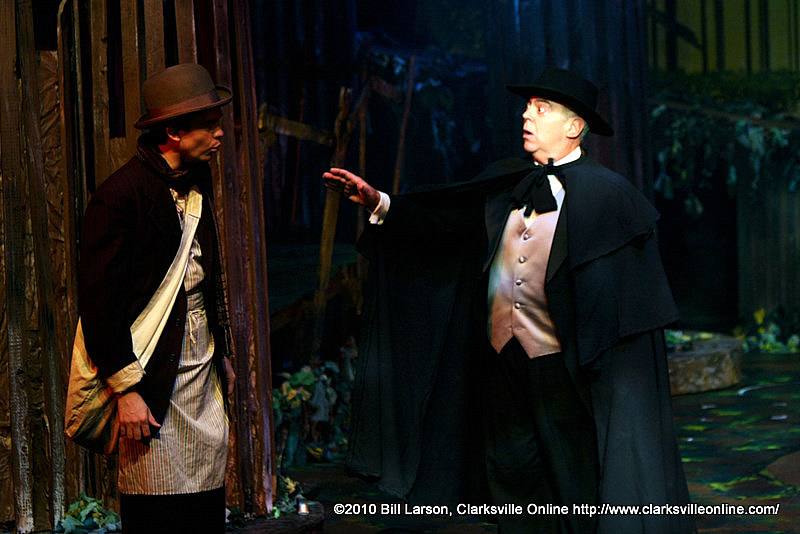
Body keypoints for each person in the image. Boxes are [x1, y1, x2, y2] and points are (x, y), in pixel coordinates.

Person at [324, 67, 695, 534]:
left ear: (574, 126)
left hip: (563, 368)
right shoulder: (507, 182)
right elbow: (446, 227)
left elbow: (628, 302)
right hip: (501, 360)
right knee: (510, 477)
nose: (526, 116)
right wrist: (379, 201)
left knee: (572, 479)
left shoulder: (609, 197)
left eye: (541, 109)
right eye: (527, 107)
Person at [78, 63, 235, 533]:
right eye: (209, 125)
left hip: (199, 357)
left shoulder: (197, 179)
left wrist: (222, 352)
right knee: (156, 496)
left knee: (206, 490)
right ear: (174, 132)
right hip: (150, 368)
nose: (219, 134)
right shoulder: (120, 196)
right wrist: (125, 390)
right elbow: (100, 305)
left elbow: (208, 275)